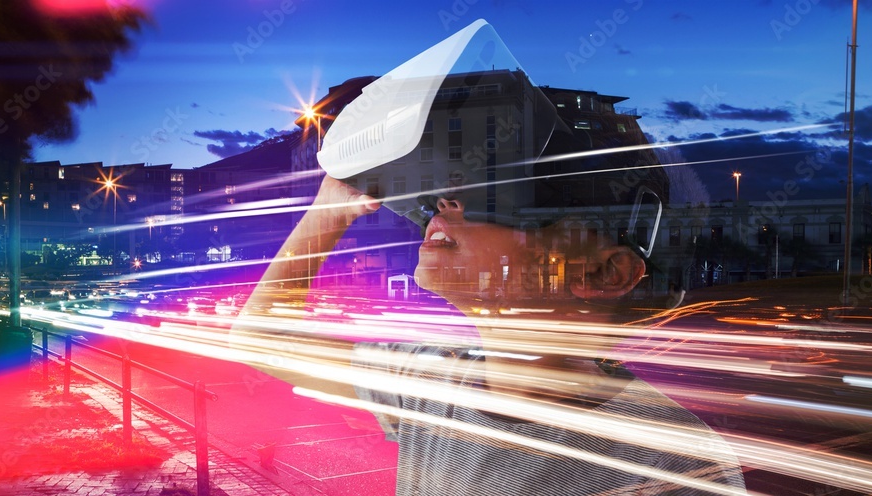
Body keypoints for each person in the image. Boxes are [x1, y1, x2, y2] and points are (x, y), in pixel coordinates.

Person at [231, 19, 747, 495]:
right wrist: (328, 211)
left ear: (603, 272)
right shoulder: (428, 380)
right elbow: (260, 342)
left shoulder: (676, 465)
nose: (445, 203)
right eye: (447, 187)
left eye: (495, 192)